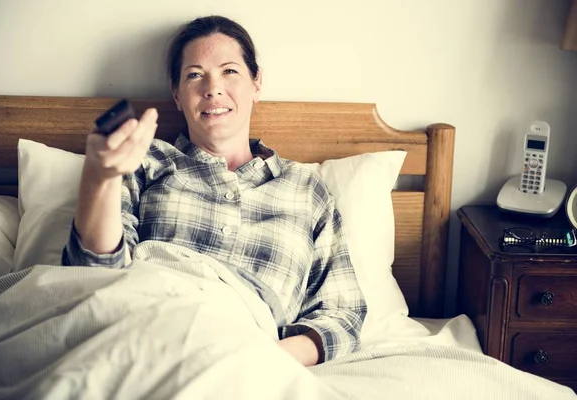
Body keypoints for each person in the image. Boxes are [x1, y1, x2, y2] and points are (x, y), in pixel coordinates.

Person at [62, 15, 366, 367]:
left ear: (257, 82)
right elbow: (93, 277)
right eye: (194, 75)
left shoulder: (306, 189)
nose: (212, 88)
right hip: (144, 323)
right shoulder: (145, 161)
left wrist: (259, 358)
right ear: (177, 95)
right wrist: (100, 178)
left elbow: (342, 316)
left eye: (229, 71)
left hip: (245, 344)